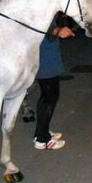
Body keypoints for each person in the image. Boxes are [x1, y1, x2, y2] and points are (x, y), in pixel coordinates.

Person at [33, 12, 75, 150]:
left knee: (47, 96)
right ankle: (42, 140)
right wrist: (56, 30)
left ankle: (41, 132)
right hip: (45, 58)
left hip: (48, 55)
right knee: (50, 97)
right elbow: (39, 21)